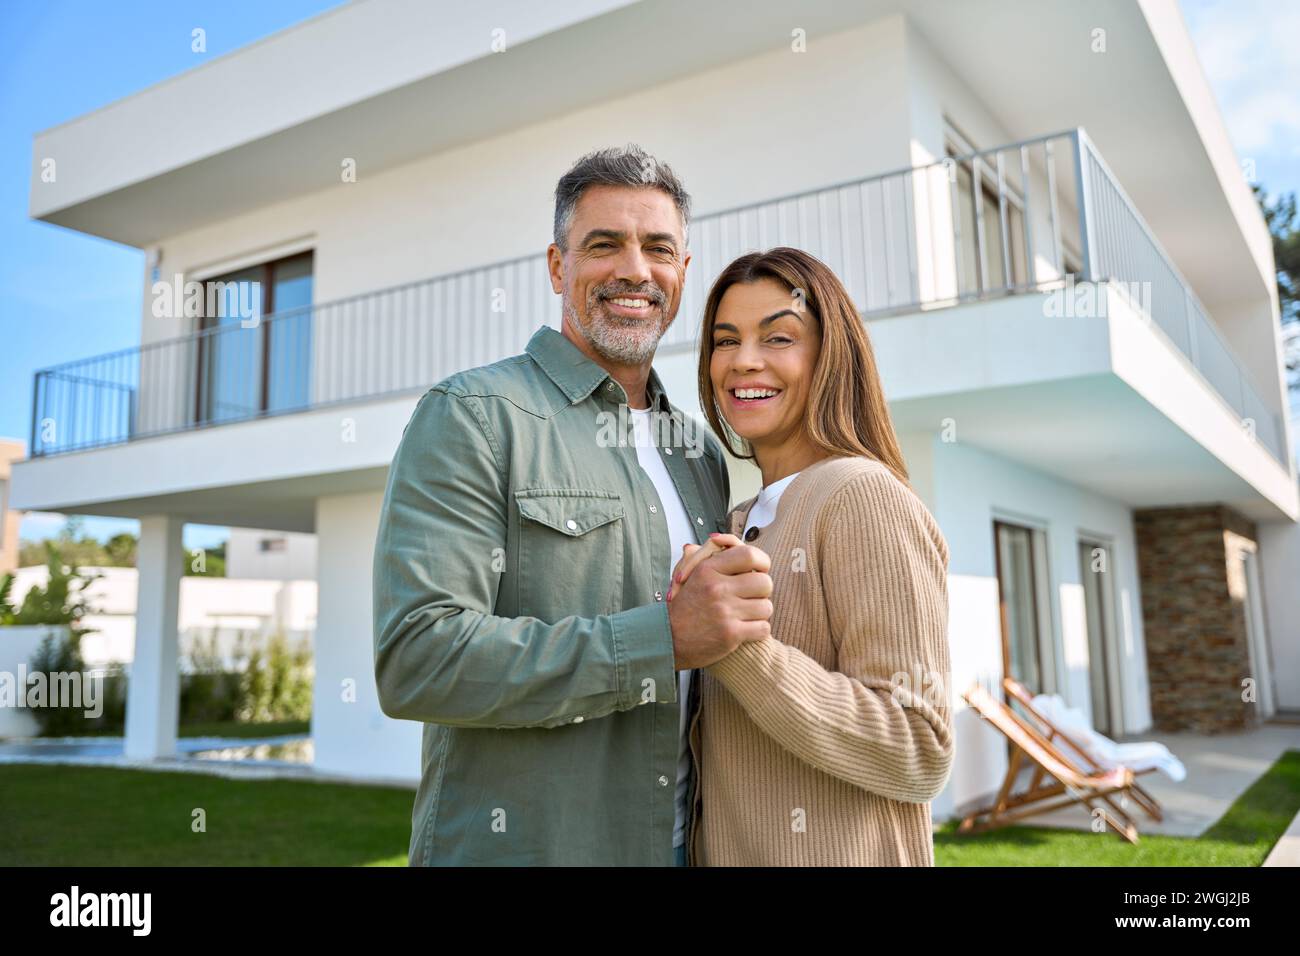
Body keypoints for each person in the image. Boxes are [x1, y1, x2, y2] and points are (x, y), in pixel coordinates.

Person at [372, 144, 773, 866]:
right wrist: (661, 640)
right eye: (603, 245)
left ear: (682, 272)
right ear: (558, 266)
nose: (634, 270)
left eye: (658, 248)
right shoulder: (474, 415)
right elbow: (418, 659)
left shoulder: (700, 451)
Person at [668, 246, 954, 865]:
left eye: (779, 338)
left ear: (829, 356)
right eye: (725, 340)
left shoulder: (861, 494)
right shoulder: (741, 519)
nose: (744, 361)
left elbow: (921, 745)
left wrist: (737, 647)